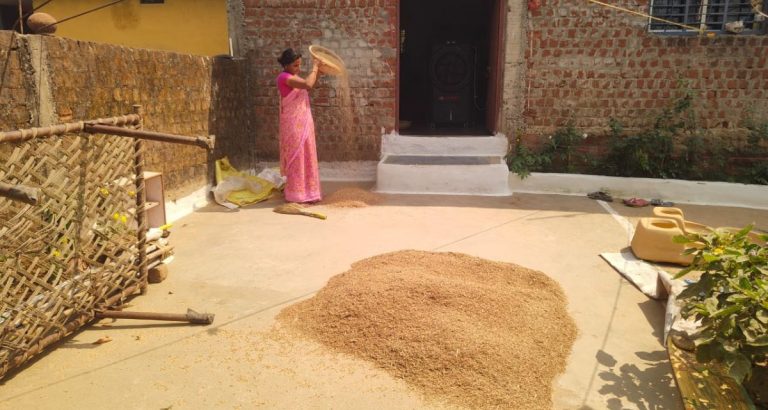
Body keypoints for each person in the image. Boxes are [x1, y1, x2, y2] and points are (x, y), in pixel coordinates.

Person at [276, 48, 324, 204]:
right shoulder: (284, 77)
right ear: (287, 65)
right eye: (296, 65)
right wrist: (315, 67)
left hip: (303, 123)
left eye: (300, 65)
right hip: (293, 124)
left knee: (307, 155)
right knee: (297, 157)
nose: (299, 68)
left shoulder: (294, 77)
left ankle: (310, 192)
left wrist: (319, 73)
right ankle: (296, 194)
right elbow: (308, 84)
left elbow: (309, 85)